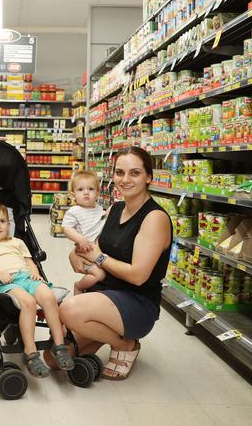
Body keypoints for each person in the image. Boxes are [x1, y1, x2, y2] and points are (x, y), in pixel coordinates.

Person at [45, 146, 172, 380]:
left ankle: (125, 345)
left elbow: (138, 276)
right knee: (53, 359)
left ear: (149, 177)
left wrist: (98, 258)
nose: (125, 180)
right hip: (104, 295)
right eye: (119, 173)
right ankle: (102, 330)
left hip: (136, 302)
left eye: (134, 173)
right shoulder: (116, 208)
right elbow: (94, 247)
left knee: (70, 309)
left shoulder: (155, 218)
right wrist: (77, 255)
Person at [0, 203, 74, 377]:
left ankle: (60, 346)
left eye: (2, 221)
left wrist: (35, 273)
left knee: (49, 297)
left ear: (9, 223)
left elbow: (29, 262)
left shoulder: (17, 242)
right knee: (28, 302)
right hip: (8, 282)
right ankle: (30, 352)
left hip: (27, 278)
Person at [61, 170, 106, 295]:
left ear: (98, 192)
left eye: (91, 189)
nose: (86, 193)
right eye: (80, 190)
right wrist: (80, 239)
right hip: (85, 252)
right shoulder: (74, 211)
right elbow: (66, 228)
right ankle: (79, 287)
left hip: (98, 252)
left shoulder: (100, 209)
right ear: (73, 194)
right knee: (99, 274)